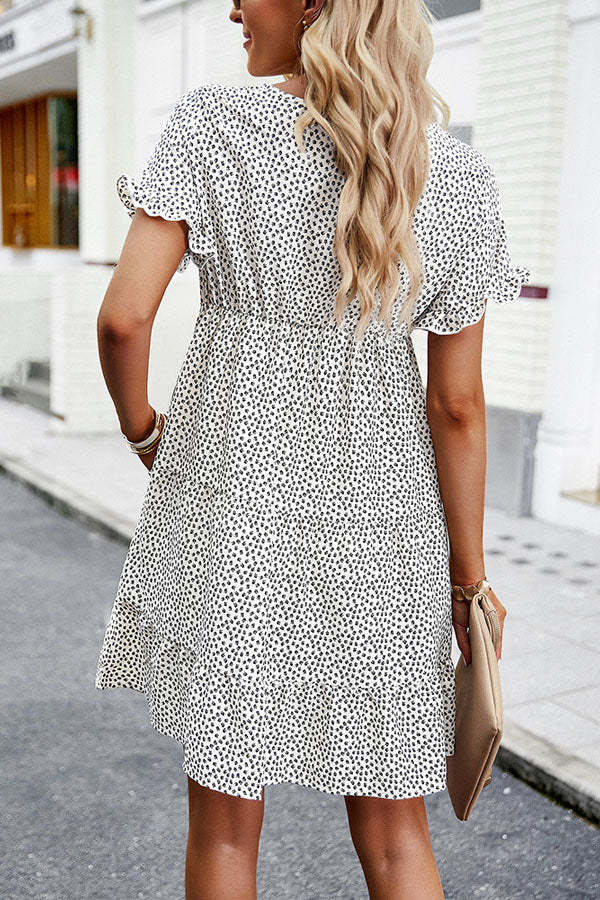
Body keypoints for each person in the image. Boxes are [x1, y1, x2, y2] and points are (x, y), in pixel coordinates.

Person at [94, 0, 530, 897]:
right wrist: (468, 582)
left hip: (237, 508)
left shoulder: (212, 127)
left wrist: (144, 431)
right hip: (384, 527)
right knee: (395, 830)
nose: (232, 7)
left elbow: (123, 319)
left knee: (225, 828)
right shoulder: (455, 174)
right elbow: (456, 406)